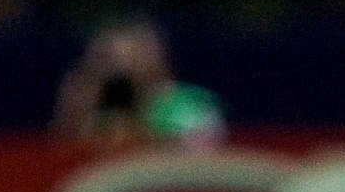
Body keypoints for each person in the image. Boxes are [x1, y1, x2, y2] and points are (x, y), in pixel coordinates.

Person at [54, 19, 225, 148]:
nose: (124, 64)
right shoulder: (100, 113)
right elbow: (67, 150)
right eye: (107, 57)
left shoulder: (188, 105)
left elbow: (199, 157)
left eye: (136, 52)